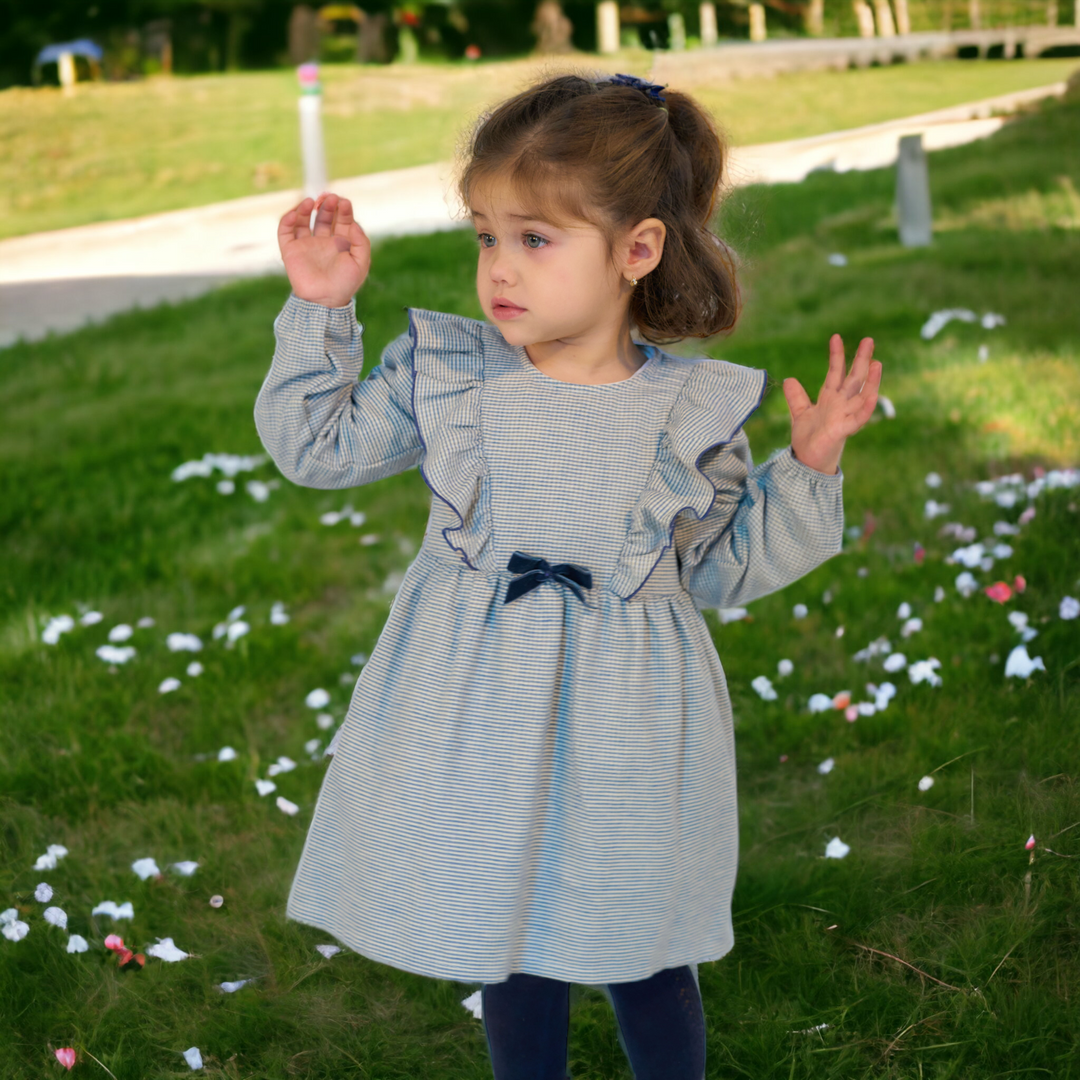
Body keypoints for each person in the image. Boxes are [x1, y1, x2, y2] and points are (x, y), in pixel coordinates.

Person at [254, 71, 882, 1080]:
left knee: (641, 938)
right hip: (478, 709)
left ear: (636, 250)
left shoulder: (688, 413)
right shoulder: (451, 375)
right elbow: (317, 448)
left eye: (535, 239)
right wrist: (322, 310)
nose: (499, 267)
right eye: (485, 235)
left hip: (628, 724)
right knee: (512, 931)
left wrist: (806, 471)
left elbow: (721, 567)